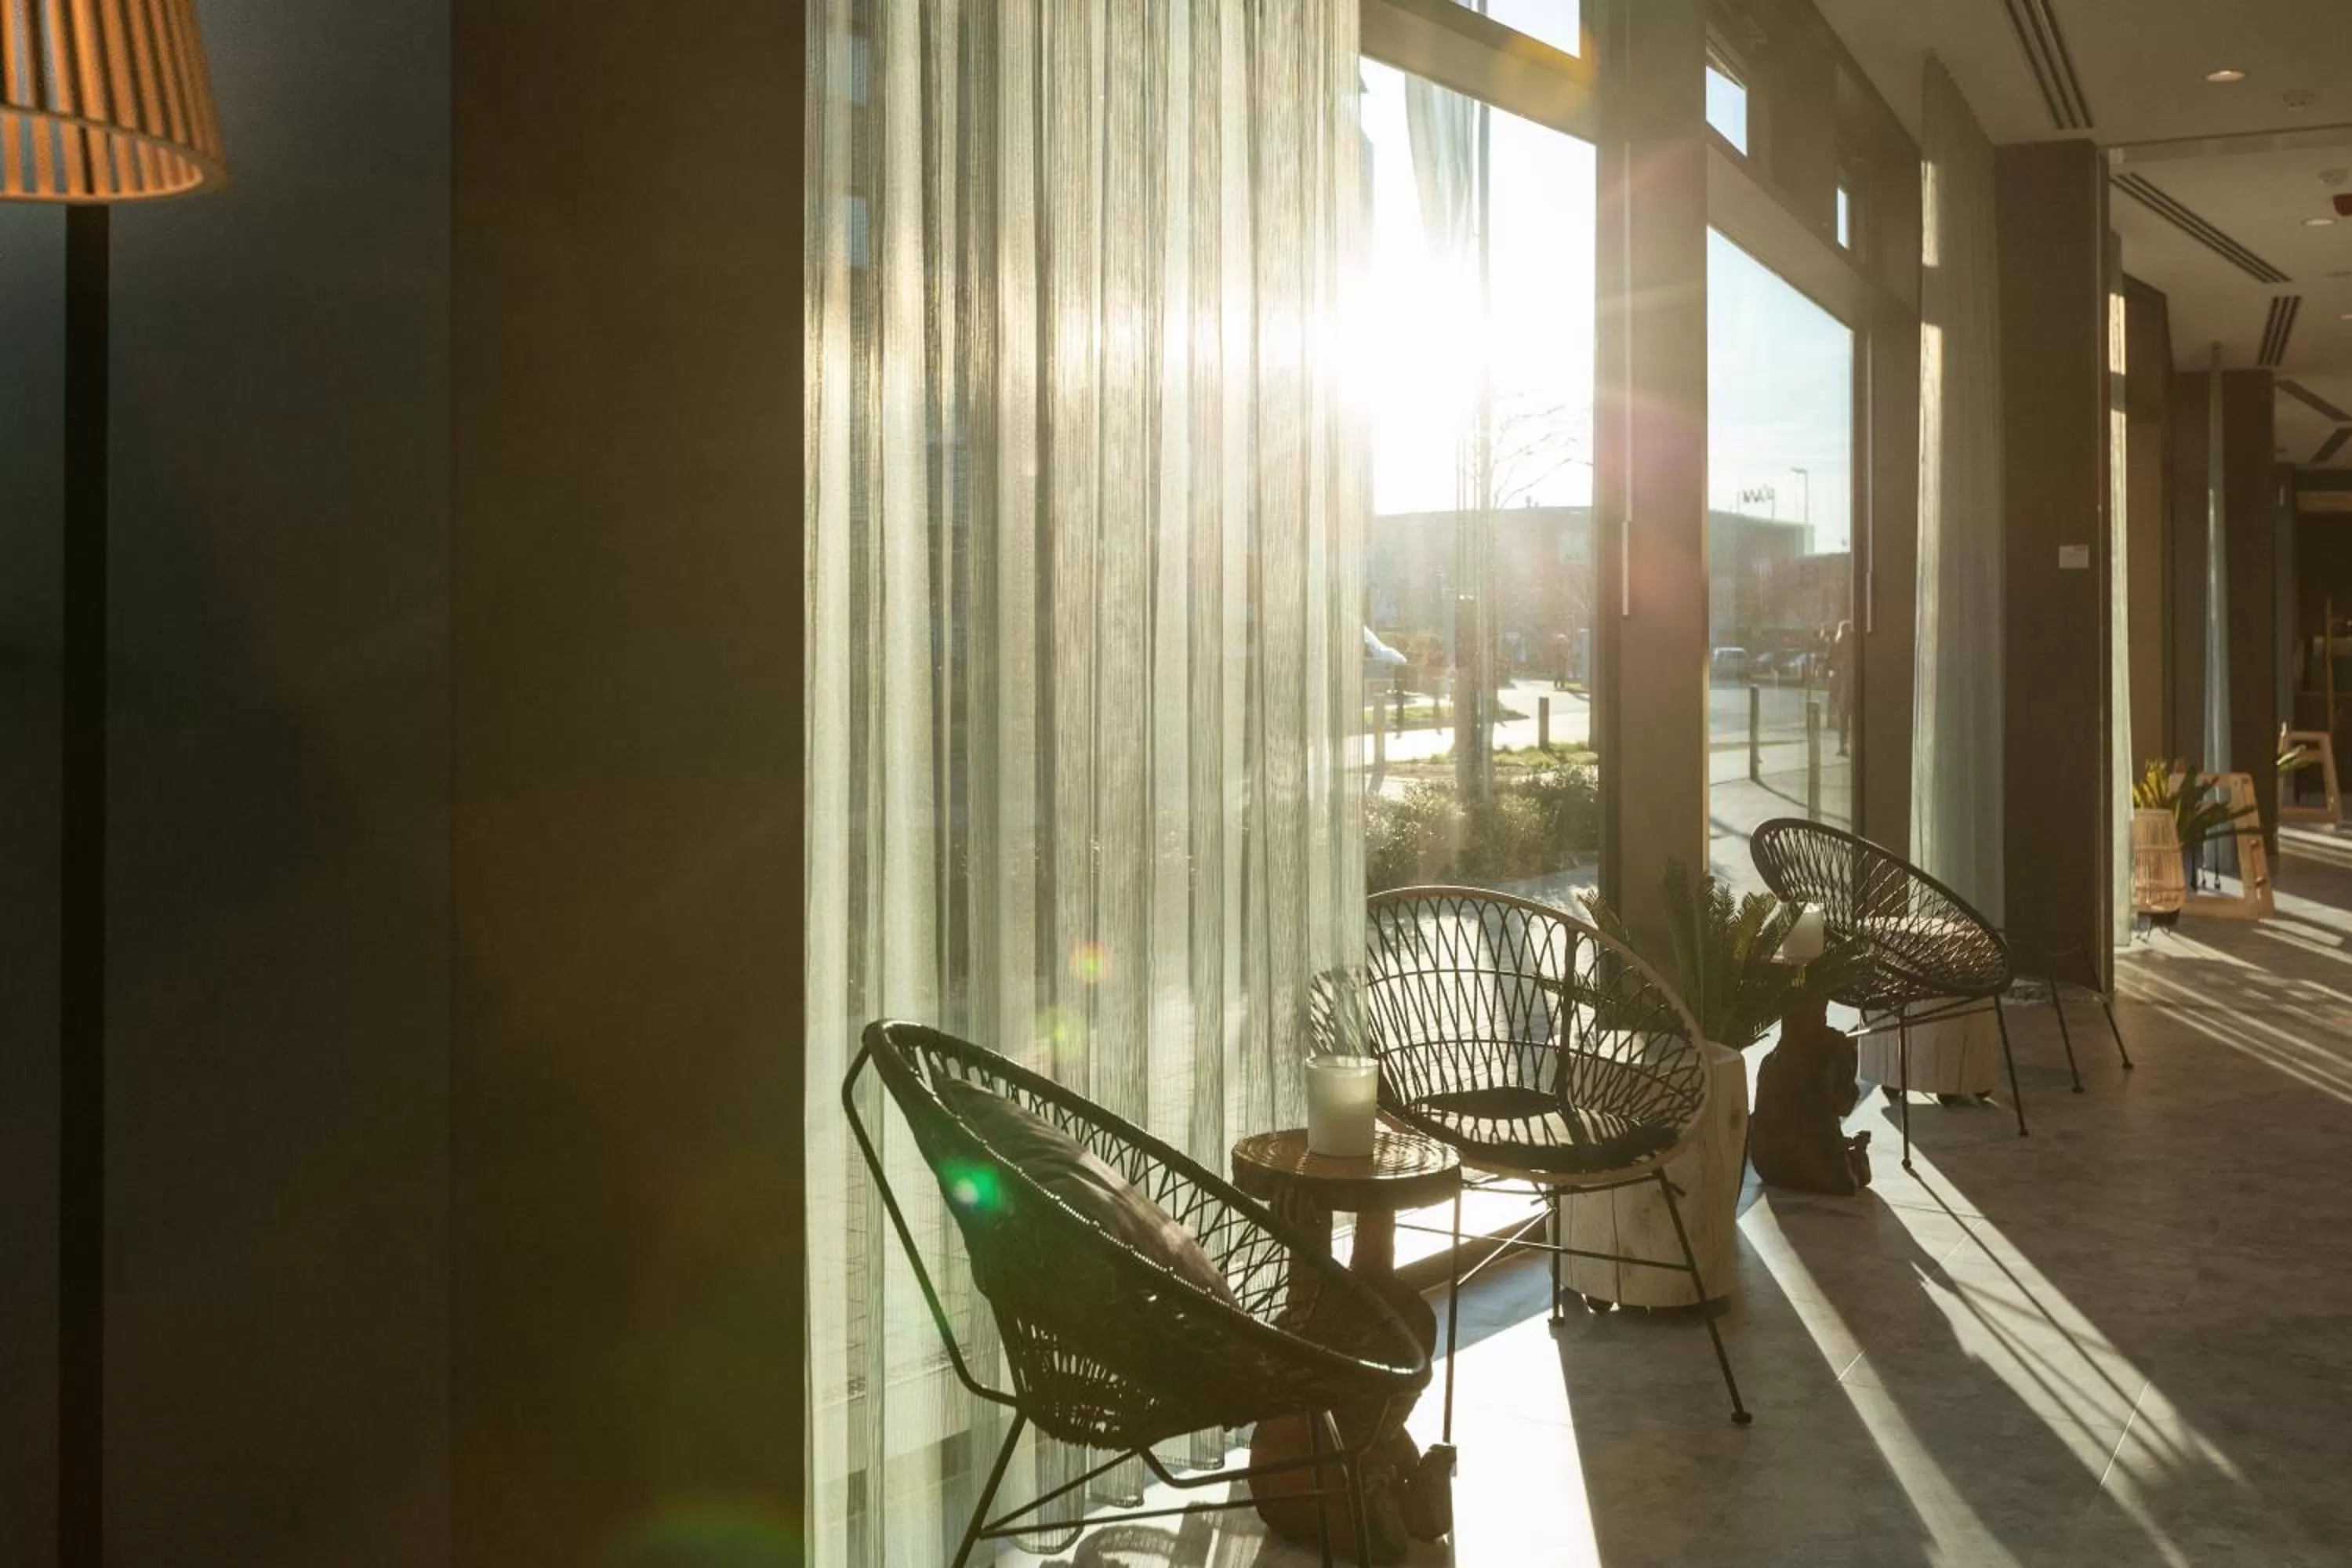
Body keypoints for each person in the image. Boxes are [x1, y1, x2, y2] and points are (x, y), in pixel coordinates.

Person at [1828, 619, 1857, 757]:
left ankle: (1843, 746)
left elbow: (1831, 665)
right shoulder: (1855, 644)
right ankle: (1854, 745)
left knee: (1843, 718)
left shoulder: (1837, 645)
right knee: (1854, 718)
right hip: (1854, 686)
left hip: (1843, 686)